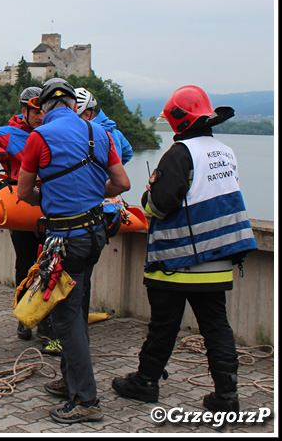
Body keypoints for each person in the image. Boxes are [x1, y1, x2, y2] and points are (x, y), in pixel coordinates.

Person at [111, 85, 258, 413]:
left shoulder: (180, 154)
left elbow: (161, 206)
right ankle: (227, 396)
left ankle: (145, 381)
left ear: (178, 121)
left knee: (164, 325)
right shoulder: (225, 151)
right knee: (217, 326)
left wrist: (148, 197)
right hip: (218, 259)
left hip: (178, 261)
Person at [17, 78, 130, 424]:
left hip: (65, 239)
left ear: (46, 107)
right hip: (96, 234)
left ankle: (86, 400)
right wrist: (96, 190)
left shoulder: (39, 137)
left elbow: (23, 193)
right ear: (73, 104)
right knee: (77, 306)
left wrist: (48, 197)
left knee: (66, 319)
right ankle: (69, 381)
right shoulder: (99, 134)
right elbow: (122, 184)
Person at [0, 86, 53, 345]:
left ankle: (46, 322)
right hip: (21, 205)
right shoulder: (9, 133)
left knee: (50, 263)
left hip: (48, 203)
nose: (41, 117)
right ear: (24, 111)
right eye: (35, 112)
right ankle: (24, 317)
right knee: (25, 262)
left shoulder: (52, 132)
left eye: (44, 112)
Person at [75, 87, 134, 239]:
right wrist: (114, 171)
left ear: (87, 114)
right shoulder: (115, 132)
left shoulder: (89, 135)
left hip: (94, 211)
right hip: (114, 209)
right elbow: (127, 153)